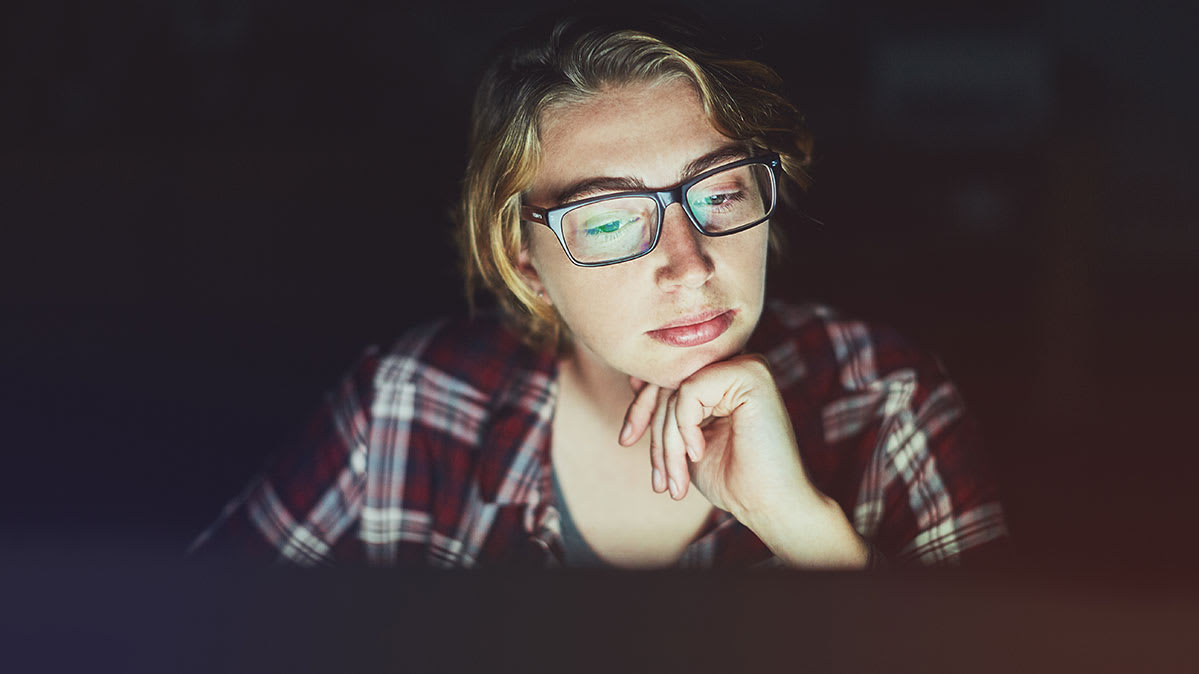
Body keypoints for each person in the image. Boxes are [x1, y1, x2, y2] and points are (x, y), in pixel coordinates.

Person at [190, 10, 1008, 569]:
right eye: (610, 220)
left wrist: (811, 536)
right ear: (522, 262)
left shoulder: (885, 398)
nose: (689, 264)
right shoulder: (405, 408)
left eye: (719, 192)